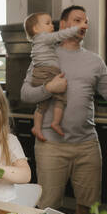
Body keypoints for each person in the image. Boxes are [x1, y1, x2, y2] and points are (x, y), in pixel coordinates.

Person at [21, 5, 107, 214]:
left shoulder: (95, 61)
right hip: (51, 146)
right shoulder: (46, 54)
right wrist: (49, 88)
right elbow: (25, 94)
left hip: (87, 145)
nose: (84, 25)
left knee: (88, 208)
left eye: (86, 22)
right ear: (64, 25)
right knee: (47, 208)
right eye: (77, 20)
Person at [23, 12, 83, 142]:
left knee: (42, 105)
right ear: (36, 29)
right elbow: (60, 35)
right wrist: (77, 28)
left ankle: (37, 127)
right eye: (47, 23)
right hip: (46, 71)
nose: (52, 26)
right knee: (60, 98)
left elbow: (58, 39)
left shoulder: (42, 41)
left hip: (46, 71)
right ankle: (55, 123)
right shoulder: (43, 37)